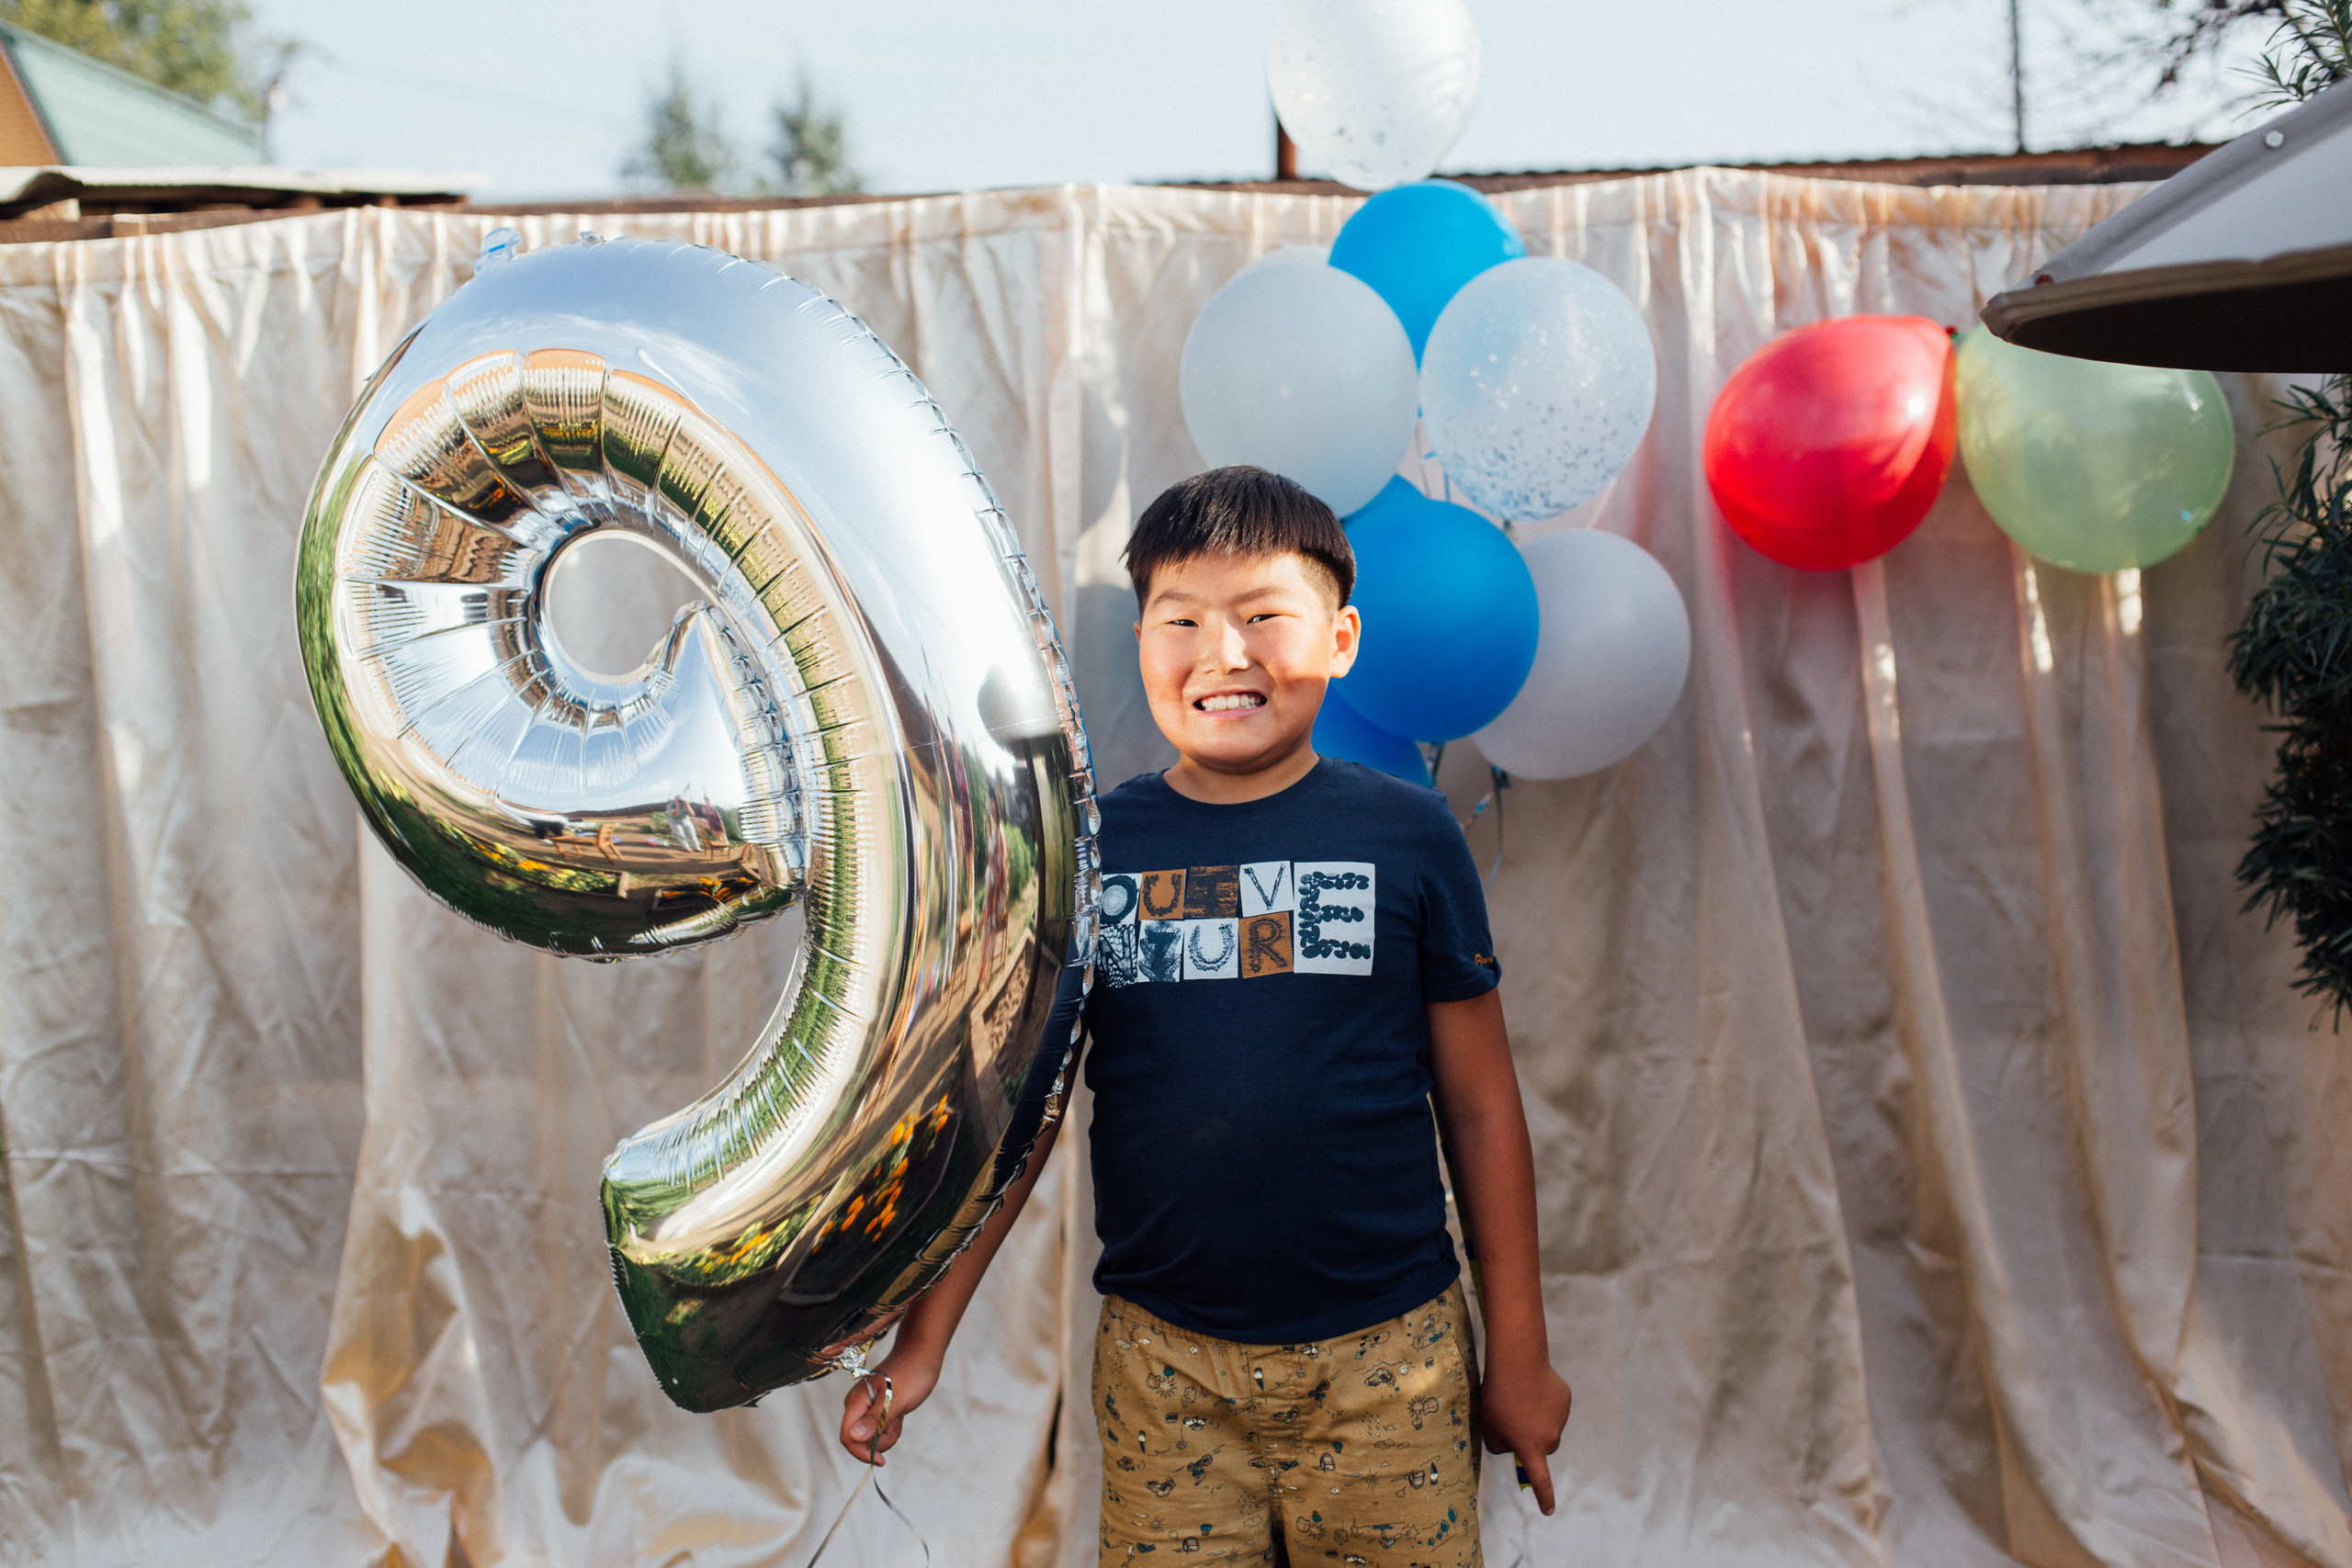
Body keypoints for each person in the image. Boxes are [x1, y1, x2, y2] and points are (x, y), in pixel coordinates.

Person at [838, 465, 1570, 1564]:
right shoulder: (1094, 854)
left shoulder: (1409, 836)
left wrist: (1518, 1353)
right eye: (1180, 620)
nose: (1223, 655)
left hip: (1390, 1360)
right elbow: (1024, 1125)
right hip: (1164, 1366)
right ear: (1141, 643)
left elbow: (1478, 1106)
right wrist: (924, 1339)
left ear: (1342, 639)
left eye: (1263, 617)